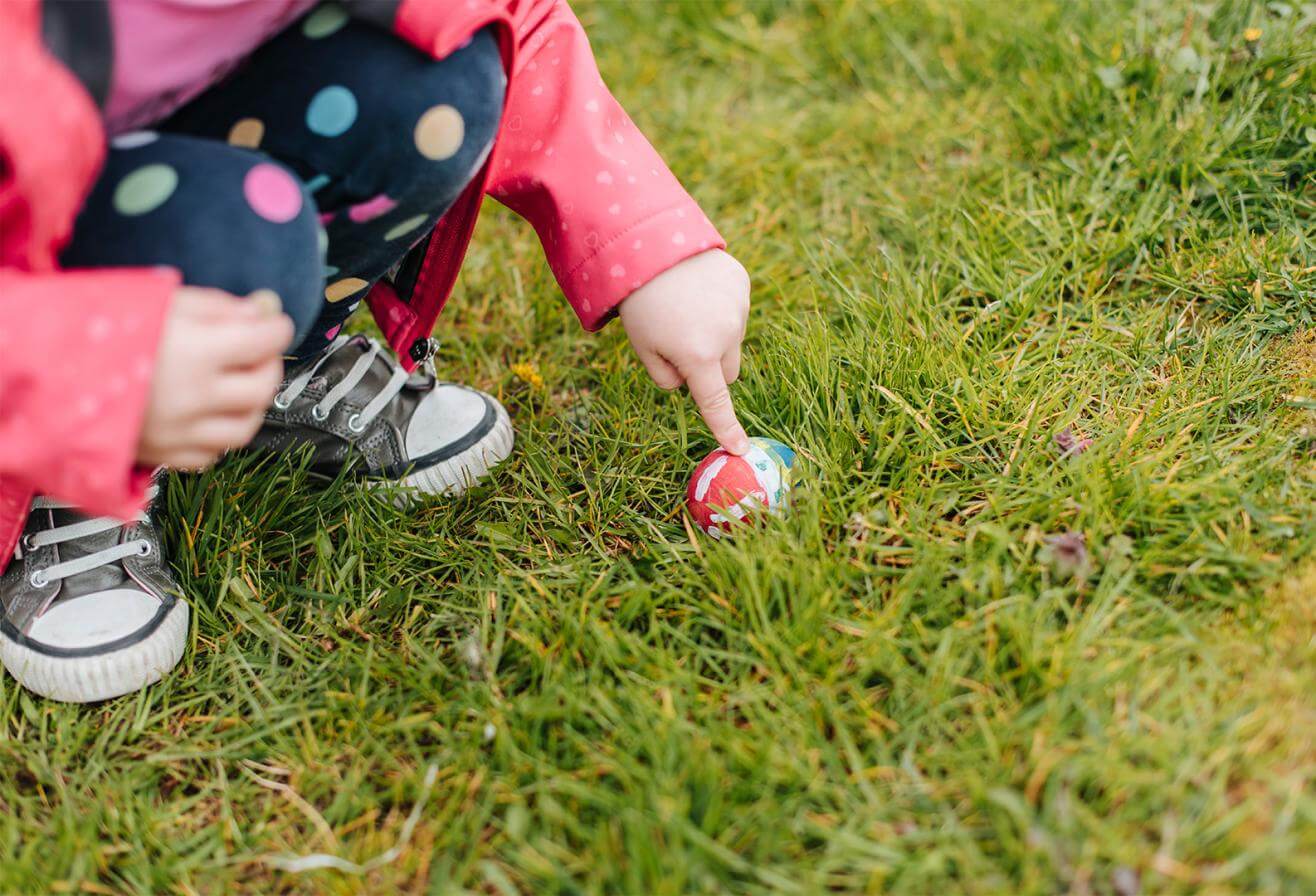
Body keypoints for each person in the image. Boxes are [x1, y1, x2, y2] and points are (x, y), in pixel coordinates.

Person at [0, 0, 752, 702]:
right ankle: (56, 469)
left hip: (167, 151)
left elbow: (505, 18)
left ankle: (264, 369)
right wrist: (83, 371)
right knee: (232, 232)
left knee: (434, 83)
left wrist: (647, 242)